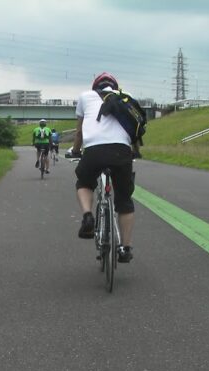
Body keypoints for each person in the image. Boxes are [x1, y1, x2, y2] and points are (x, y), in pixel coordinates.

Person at [69, 72, 135, 263]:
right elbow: (134, 127)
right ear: (115, 86)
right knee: (124, 200)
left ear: (95, 87)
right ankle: (125, 248)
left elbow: (80, 131)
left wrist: (75, 150)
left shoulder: (85, 97)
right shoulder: (127, 96)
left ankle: (88, 215)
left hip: (94, 151)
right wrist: (134, 150)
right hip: (121, 151)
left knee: (84, 182)